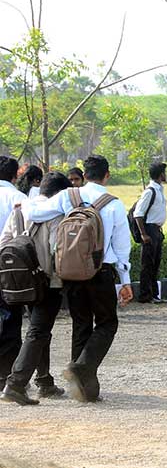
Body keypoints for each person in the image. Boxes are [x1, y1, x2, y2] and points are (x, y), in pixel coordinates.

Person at [24, 155, 132, 403]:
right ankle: (81, 367)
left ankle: (84, 389)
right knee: (107, 323)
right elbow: (122, 247)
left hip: (71, 271)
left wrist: (26, 203)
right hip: (101, 271)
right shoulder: (113, 204)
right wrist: (125, 280)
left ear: (84, 175)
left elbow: (36, 213)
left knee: (81, 323)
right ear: (107, 175)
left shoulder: (68, 197)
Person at [1, 171, 72, 406]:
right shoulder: (55, 213)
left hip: (20, 280)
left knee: (39, 329)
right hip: (47, 281)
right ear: (60, 194)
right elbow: (56, 250)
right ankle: (16, 384)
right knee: (38, 331)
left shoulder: (20, 209)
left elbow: (5, 242)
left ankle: (44, 381)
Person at [0, 156, 29, 386]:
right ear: (15, 175)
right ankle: (5, 374)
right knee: (10, 317)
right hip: (10, 265)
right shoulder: (19, 198)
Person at [133, 161, 167, 304]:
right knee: (147, 264)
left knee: (155, 264)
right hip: (149, 229)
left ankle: (154, 294)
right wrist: (143, 234)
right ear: (161, 174)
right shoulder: (150, 191)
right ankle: (145, 295)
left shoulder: (159, 190)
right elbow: (138, 214)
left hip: (156, 230)